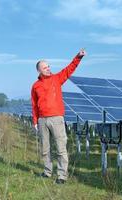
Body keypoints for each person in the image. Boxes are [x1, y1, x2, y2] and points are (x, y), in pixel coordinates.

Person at [31, 49, 86, 184]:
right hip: (42, 120)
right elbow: (34, 105)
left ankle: (62, 176)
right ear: (39, 70)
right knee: (45, 148)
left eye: (48, 66)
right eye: (45, 67)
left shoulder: (57, 78)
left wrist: (78, 57)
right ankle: (47, 171)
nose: (48, 69)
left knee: (61, 148)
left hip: (56, 118)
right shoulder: (35, 86)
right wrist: (35, 121)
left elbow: (69, 69)